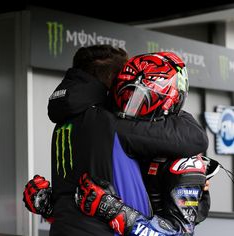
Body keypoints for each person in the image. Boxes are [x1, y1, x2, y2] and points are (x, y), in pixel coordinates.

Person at [23, 46, 209, 236]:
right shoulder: (112, 124)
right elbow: (195, 137)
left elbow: (77, 199)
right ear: (114, 82)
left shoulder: (64, 124)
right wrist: (115, 211)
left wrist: (50, 205)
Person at [75, 51, 217, 235]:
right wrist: (52, 206)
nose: (129, 107)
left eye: (141, 99)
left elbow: (179, 233)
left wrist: (114, 212)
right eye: (127, 96)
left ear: (166, 100)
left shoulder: (184, 161)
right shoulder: (132, 144)